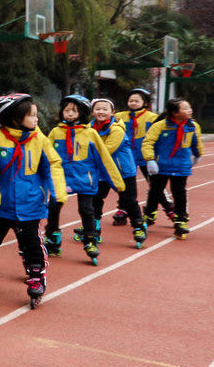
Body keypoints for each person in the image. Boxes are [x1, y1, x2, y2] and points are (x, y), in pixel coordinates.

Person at [0, 94, 68, 309]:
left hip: (30, 205)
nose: (36, 119)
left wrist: (58, 192)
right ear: (14, 119)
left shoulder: (39, 140)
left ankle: (36, 275)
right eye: (31, 115)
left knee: (32, 243)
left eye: (36, 115)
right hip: (2, 205)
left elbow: (53, 165)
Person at [46, 94, 125, 266]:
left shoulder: (90, 133)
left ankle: (90, 240)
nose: (69, 114)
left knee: (87, 209)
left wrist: (117, 183)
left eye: (74, 111)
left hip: (85, 178)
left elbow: (104, 158)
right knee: (53, 206)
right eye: (66, 110)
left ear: (82, 113)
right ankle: (52, 237)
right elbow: (45, 155)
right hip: (62, 178)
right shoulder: (55, 132)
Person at [142, 96, 204, 240]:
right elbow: (148, 142)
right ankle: (149, 214)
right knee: (155, 192)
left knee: (179, 193)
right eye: (186, 108)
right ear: (175, 112)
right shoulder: (160, 126)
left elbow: (196, 142)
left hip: (181, 166)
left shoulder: (192, 126)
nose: (190, 110)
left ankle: (181, 220)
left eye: (189, 107)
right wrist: (150, 160)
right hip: (161, 166)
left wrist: (198, 154)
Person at [90, 97, 147, 249]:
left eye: (105, 109)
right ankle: (93, 228)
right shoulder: (89, 129)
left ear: (112, 112)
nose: (101, 111)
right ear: (92, 111)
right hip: (103, 172)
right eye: (98, 108)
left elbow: (105, 151)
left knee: (129, 200)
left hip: (123, 171)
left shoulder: (117, 129)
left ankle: (139, 226)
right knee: (96, 199)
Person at [111, 86, 155, 225]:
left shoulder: (152, 118)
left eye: (137, 100)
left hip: (144, 156)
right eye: (131, 100)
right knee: (125, 184)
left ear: (145, 103)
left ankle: (162, 208)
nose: (133, 103)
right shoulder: (120, 116)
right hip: (126, 156)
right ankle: (123, 208)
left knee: (155, 184)